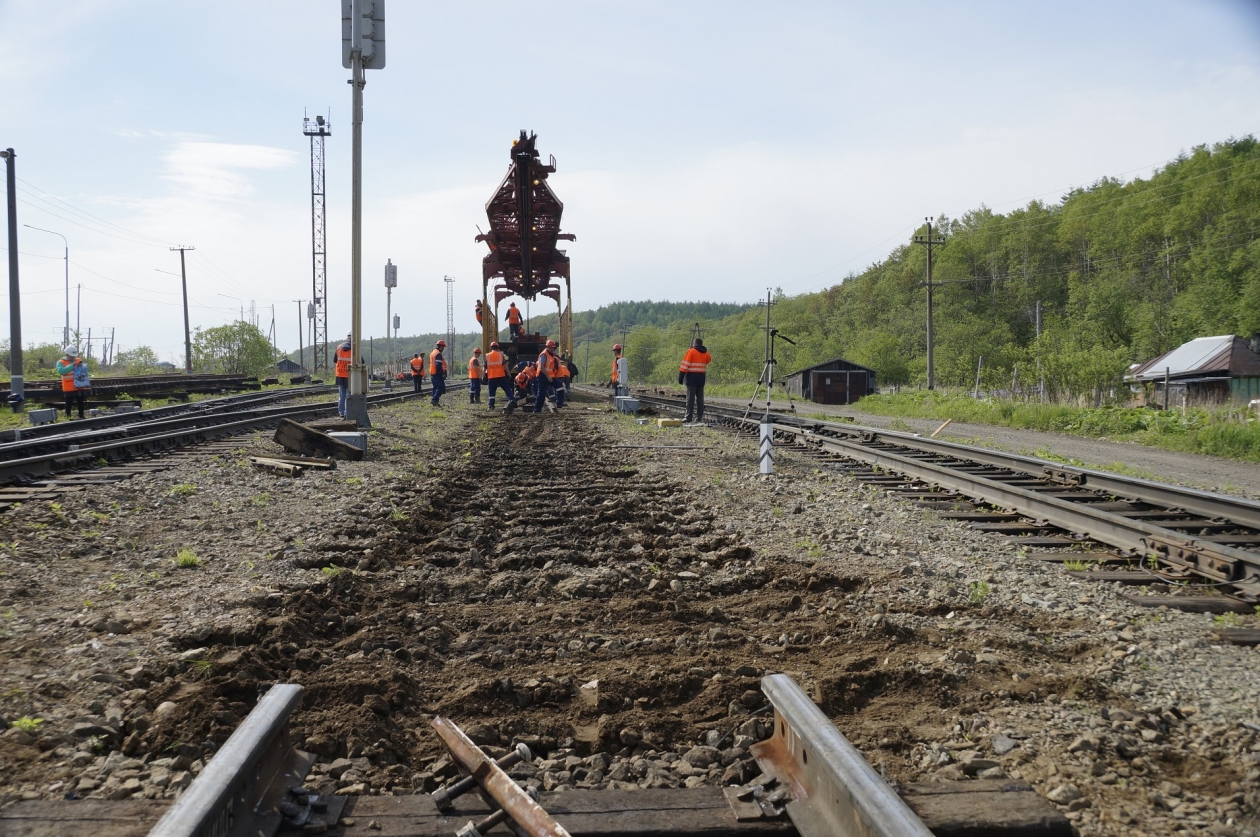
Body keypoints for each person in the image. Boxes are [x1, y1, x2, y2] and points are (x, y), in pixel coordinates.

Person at [678, 337, 713, 424]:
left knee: (690, 398)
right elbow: (709, 360)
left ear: (695, 343)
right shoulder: (706, 353)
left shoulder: (691, 351)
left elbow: (685, 365)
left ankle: (688, 417)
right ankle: (699, 418)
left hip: (691, 378)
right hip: (701, 378)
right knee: (700, 399)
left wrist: (681, 377)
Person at [56, 346, 88, 420]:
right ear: (67, 354)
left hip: (80, 385)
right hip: (69, 387)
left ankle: (81, 416)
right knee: (69, 402)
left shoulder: (78, 360)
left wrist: (84, 367)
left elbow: (85, 370)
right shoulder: (61, 362)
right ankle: (68, 417)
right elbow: (61, 371)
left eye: (74, 356)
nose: (73, 357)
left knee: (80, 401)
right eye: (71, 356)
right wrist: (72, 365)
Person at [484, 341, 513, 411]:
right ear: (498, 348)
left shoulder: (487, 356)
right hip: (501, 376)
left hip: (491, 377)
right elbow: (505, 365)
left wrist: (483, 376)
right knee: (507, 389)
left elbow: (484, 367)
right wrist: (508, 373)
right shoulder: (500, 355)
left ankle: (491, 406)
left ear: (491, 348)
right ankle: (512, 400)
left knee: (492, 392)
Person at [534, 339, 561, 413]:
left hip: (549, 376)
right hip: (542, 376)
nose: (553, 349)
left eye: (553, 347)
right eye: (551, 347)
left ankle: (559, 403)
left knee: (560, 386)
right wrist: (548, 376)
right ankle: (537, 410)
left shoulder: (551, 355)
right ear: (547, 347)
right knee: (541, 393)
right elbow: (541, 367)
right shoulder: (544, 355)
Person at [334, 334, 353, 418]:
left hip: (340, 374)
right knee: (349, 395)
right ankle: (347, 412)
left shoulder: (339, 347)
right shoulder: (355, 348)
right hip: (350, 375)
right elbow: (361, 361)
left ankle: (341, 412)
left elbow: (335, 360)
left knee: (342, 395)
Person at [428, 340, 448, 406]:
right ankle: (434, 400)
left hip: (432, 372)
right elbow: (438, 365)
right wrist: (442, 373)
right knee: (441, 387)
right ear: (441, 346)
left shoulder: (433, 352)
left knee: (435, 387)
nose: (443, 349)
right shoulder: (438, 354)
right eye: (443, 347)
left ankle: (434, 401)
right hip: (437, 373)